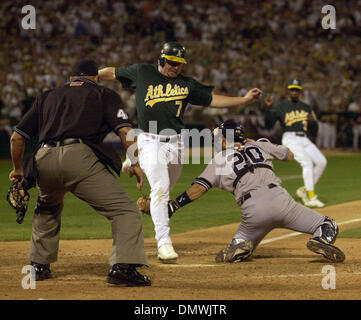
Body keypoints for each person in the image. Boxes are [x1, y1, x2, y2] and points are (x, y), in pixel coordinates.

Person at [98, 41, 262, 263]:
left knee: (168, 186)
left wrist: (243, 99)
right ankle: (164, 242)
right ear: (162, 59)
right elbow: (113, 72)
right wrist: (91, 76)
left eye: (179, 64)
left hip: (176, 142)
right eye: (172, 62)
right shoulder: (142, 72)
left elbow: (213, 100)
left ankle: (133, 161)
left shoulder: (187, 84)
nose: (175, 67)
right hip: (149, 138)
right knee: (161, 188)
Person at [9, 60, 151, 286]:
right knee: (125, 211)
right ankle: (123, 267)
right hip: (79, 157)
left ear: (71, 77)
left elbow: (17, 138)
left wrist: (18, 169)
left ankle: (38, 267)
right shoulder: (103, 94)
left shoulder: (46, 97)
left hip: (42, 159)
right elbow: (125, 131)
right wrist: (134, 161)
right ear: (95, 77)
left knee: (48, 207)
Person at [167, 120, 345, 263]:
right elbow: (289, 155)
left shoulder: (219, 159)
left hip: (253, 212)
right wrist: (261, 144)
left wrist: (174, 205)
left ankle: (241, 246)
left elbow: (198, 188)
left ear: (224, 138)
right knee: (328, 224)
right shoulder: (260, 146)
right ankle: (320, 240)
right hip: (282, 202)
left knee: (240, 243)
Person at [264, 79, 327, 208]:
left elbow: (314, 130)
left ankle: (304, 190)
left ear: (300, 92)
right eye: (292, 89)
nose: (294, 92)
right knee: (307, 163)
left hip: (304, 138)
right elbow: (269, 124)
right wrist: (269, 109)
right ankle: (310, 196)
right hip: (290, 138)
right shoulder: (281, 106)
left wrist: (313, 122)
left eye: (297, 90)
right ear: (288, 91)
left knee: (321, 162)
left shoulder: (306, 107)